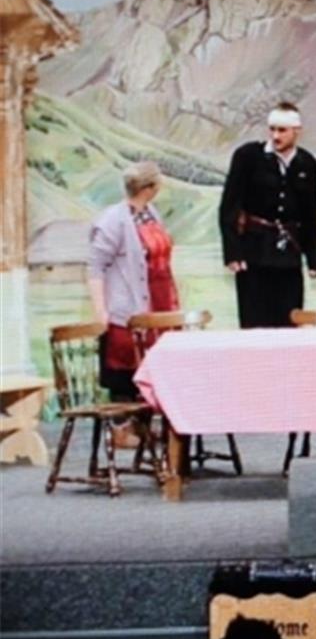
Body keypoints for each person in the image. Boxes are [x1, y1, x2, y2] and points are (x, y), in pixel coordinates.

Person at [87, 161, 178, 447]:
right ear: (150, 188)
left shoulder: (151, 213)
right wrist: (101, 310)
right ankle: (121, 429)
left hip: (159, 299)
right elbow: (95, 267)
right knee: (126, 364)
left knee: (154, 363)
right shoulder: (113, 220)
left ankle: (143, 425)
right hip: (129, 303)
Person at [219, 102, 316, 329]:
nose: (276, 136)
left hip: (289, 255)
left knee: (289, 319)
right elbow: (229, 205)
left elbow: (311, 214)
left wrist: (314, 258)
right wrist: (233, 252)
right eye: (272, 129)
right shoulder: (247, 156)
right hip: (253, 252)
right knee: (254, 320)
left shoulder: (307, 163)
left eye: (282, 130)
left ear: (297, 131)